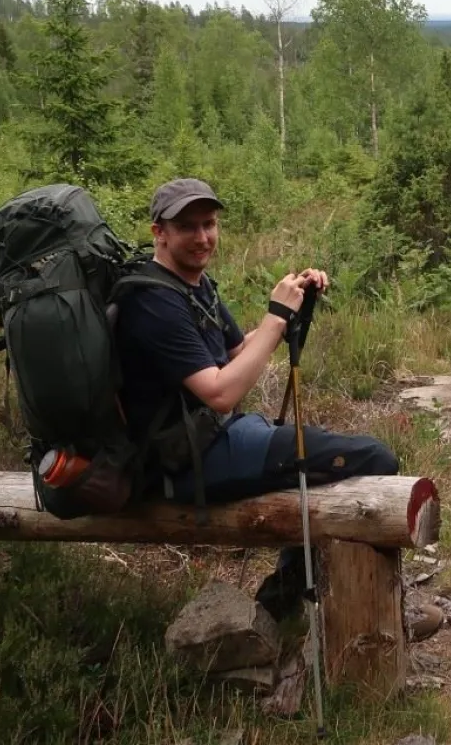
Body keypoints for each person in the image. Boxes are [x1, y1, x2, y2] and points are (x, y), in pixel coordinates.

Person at [113, 177, 399, 620]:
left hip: (216, 439)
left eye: (209, 223)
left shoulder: (192, 284)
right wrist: (274, 318)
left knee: (339, 456)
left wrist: (291, 311)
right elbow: (221, 392)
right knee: (374, 459)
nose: (203, 237)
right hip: (185, 465)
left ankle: (286, 604)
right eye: (188, 226)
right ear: (159, 232)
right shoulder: (152, 301)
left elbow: (235, 354)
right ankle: (325, 607)